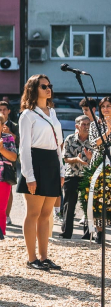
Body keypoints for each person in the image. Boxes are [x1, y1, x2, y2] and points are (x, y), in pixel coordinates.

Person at [16, 74, 63, 272]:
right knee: (33, 214)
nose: (48, 89)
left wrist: (61, 170)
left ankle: (44, 257)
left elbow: (58, 144)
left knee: (46, 214)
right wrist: (30, 176)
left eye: (49, 85)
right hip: (36, 163)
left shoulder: (52, 112)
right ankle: (31, 258)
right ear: (34, 89)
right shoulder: (27, 115)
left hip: (52, 162)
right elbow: (24, 148)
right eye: (44, 86)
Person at [61, 115, 92, 240]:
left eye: (88, 124)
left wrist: (89, 159)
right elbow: (65, 158)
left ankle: (88, 234)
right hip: (72, 175)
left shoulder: (94, 140)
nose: (86, 127)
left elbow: (98, 158)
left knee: (88, 205)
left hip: (87, 176)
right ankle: (66, 233)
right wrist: (77, 159)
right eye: (83, 124)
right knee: (69, 204)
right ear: (77, 126)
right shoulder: (70, 139)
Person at [87, 97, 111, 244]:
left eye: (109, 106)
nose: (106, 109)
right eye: (103, 107)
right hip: (99, 163)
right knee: (98, 199)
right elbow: (94, 143)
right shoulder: (95, 124)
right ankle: (99, 231)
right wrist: (108, 131)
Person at [0, 100, 19, 226]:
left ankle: (7, 216)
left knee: (7, 190)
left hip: (9, 162)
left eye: (4, 109)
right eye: (0, 110)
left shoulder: (14, 125)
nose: (2, 112)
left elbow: (20, 142)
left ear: (9, 111)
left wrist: (10, 133)